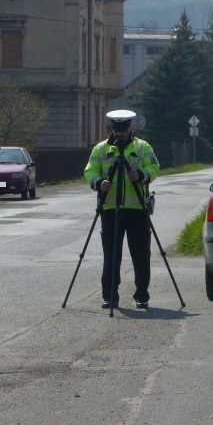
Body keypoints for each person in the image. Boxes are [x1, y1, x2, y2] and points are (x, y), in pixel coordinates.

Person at [84, 110, 160, 309]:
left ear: (130, 128)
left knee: (141, 254)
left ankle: (142, 295)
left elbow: (154, 167)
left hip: (137, 209)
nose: (119, 134)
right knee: (111, 255)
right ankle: (110, 296)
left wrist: (142, 174)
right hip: (109, 209)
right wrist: (99, 182)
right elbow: (89, 170)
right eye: (116, 131)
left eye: (123, 131)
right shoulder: (100, 149)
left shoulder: (143, 147)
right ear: (111, 129)